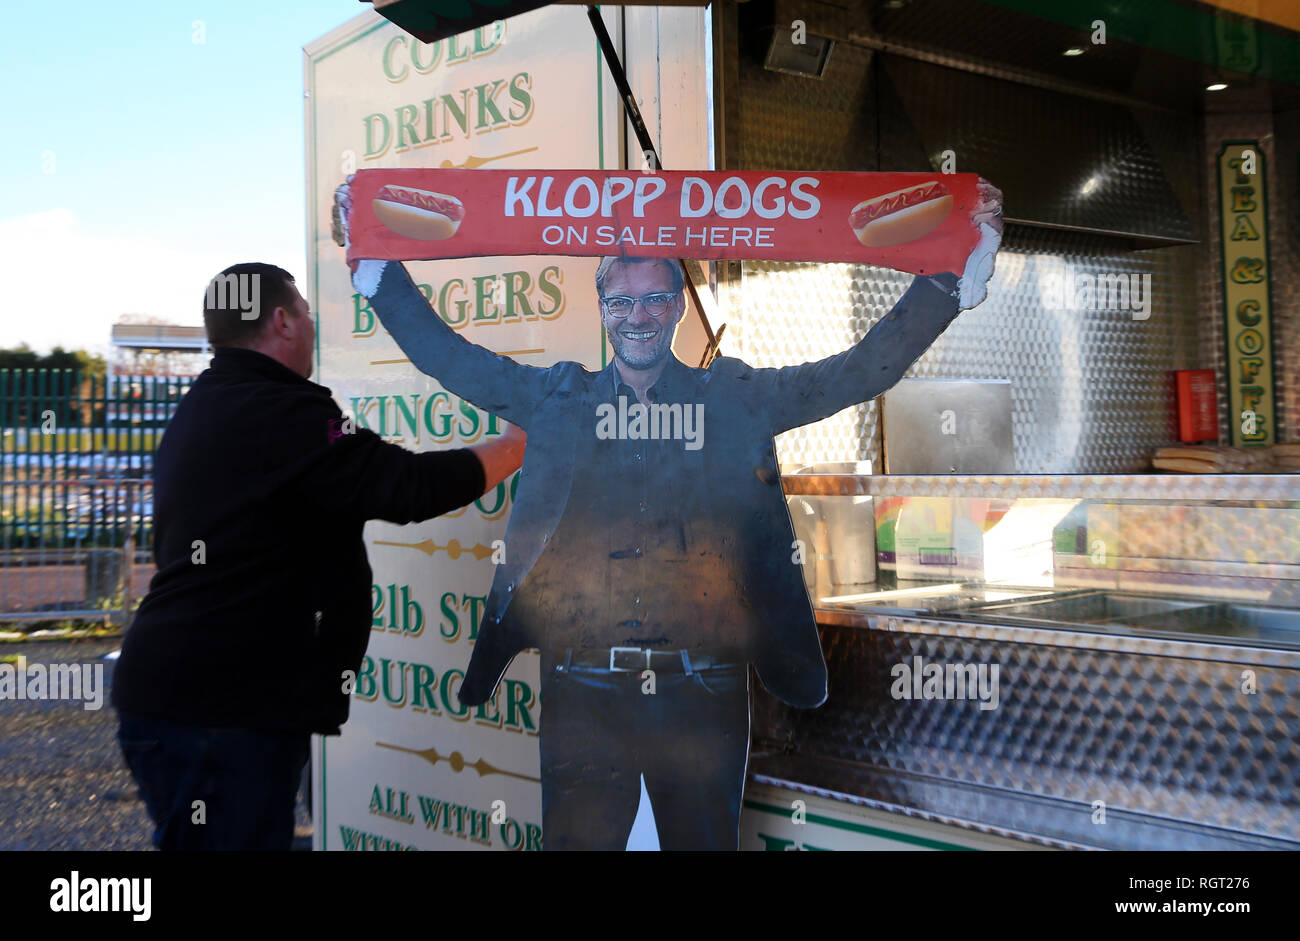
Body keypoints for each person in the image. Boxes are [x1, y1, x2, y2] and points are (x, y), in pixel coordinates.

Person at [334, 179, 1003, 849]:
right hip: (581, 695)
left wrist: (945, 284)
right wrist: (376, 266)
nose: (639, 315)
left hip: (703, 698)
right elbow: (452, 359)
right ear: (602, 310)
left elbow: (852, 374)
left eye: (656, 297)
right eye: (622, 301)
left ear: (679, 305)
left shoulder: (734, 396)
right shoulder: (560, 397)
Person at [111, 262, 525, 851]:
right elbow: (408, 486)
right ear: (281, 321)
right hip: (220, 714)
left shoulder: (209, 403)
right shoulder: (285, 414)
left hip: (187, 699)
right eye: (304, 310)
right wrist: (519, 443)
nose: (311, 322)